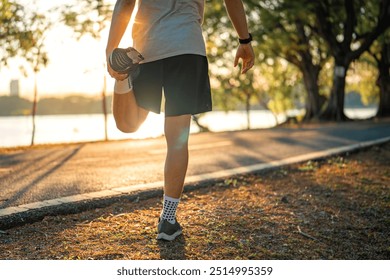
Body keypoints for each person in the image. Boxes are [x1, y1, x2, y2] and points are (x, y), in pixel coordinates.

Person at [106, 0, 255, 241]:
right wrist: (244, 41)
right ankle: (168, 219)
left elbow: (125, 3)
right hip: (187, 48)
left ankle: (122, 76)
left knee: (128, 123)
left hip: (147, 47)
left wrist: (110, 50)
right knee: (177, 139)